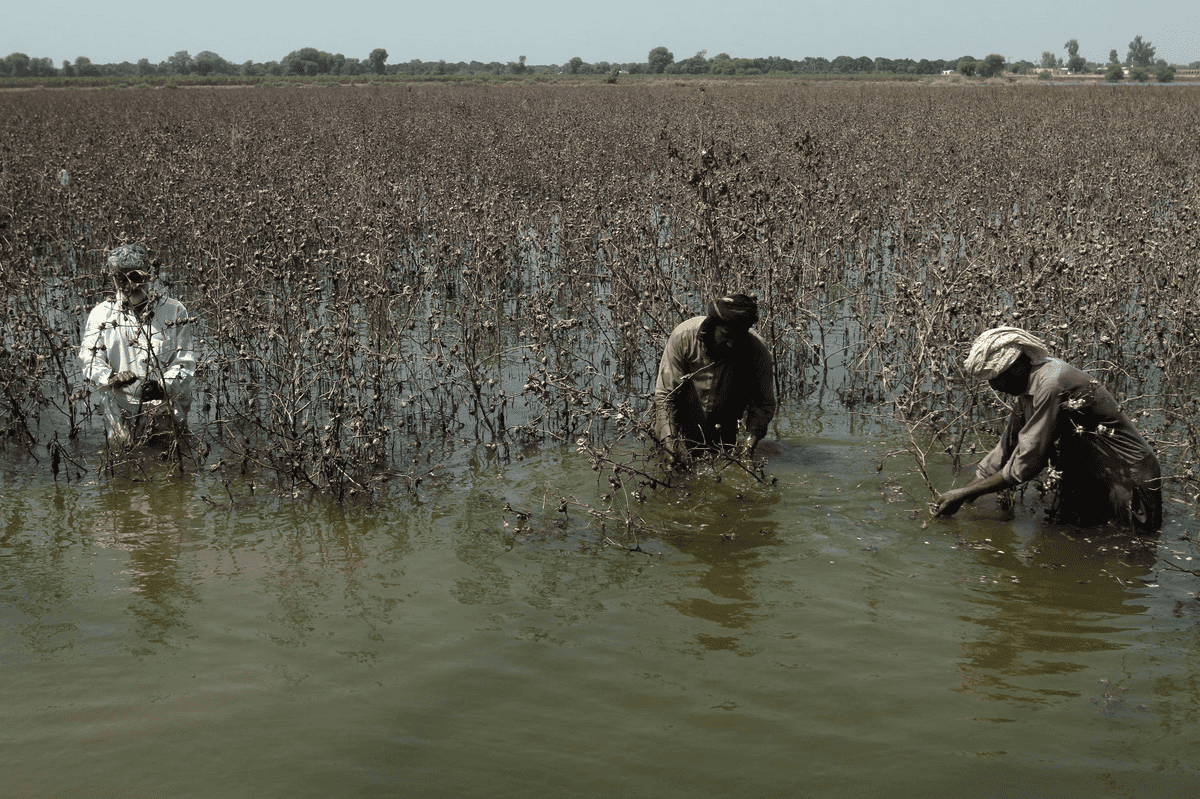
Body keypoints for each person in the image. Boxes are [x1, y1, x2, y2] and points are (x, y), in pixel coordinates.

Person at [935, 326, 1162, 533]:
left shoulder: (1051, 384)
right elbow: (1008, 445)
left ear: (1017, 365)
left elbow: (1027, 462)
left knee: (1133, 551)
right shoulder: (1028, 387)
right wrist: (962, 498)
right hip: (1094, 475)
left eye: (997, 378)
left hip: (1127, 477)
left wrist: (965, 494)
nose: (995, 387)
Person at [79, 244, 196, 443]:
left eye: (135, 277)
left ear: (149, 275)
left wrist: (162, 386)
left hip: (167, 408)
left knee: (172, 458)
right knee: (123, 460)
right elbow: (89, 360)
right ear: (112, 278)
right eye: (120, 278)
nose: (128, 285)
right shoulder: (101, 314)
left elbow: (184, 362)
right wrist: (112, 378)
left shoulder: (174, 311)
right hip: (120, 410)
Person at [654, 292, 776, 463]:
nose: (732, 344)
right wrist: (670, 443)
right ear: (713, 325)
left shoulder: (756, 351)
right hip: (681, 433)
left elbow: (763, 405)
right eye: (726, 335)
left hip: (724, 440)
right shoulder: (683, 338)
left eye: (738, 337)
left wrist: (747, 448)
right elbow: (666, 396)